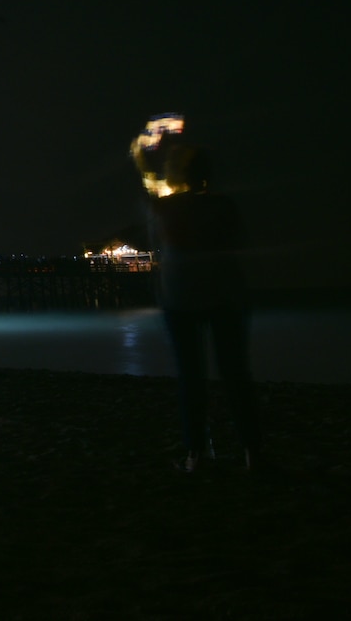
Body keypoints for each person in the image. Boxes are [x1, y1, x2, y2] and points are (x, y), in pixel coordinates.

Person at [132, 114, 261, 471]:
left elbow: (142, 167)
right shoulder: (224, 206)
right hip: (229, 297)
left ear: (176, 173)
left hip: (180, 300)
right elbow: (237, 244)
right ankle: (254, 452)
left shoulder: (163, 206)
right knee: (237, 375)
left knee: (191, 377)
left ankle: (197, 454)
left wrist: (147, 139)